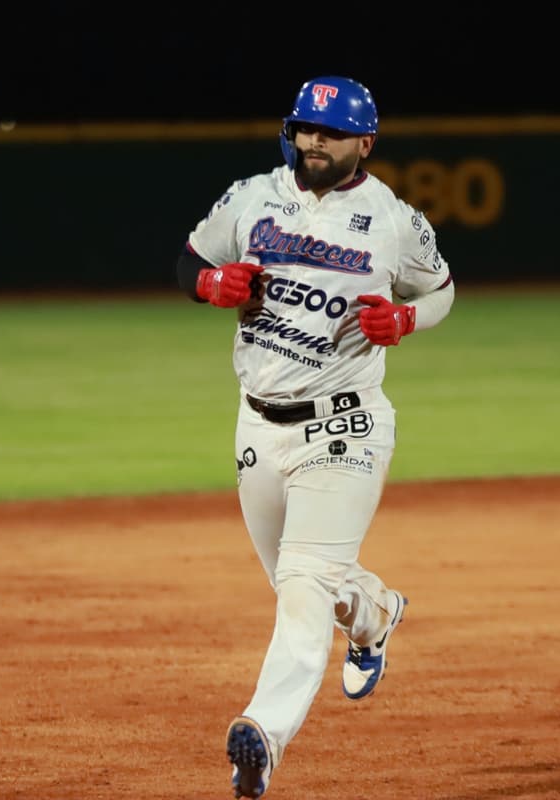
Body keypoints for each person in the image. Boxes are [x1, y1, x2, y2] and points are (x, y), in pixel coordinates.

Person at [175, 75, 455, 798]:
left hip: (347, 424)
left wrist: (405, 321)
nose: (316, 142)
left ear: (365, 142)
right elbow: (190, 259)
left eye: (332, 133)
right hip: (258, 425)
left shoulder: (390, 217)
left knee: (302, 582)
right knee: (305, 586)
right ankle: (375, 613)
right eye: (306, 129)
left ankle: (261, 737)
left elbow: (442, 288)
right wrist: (212, 288)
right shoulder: (250, 196)